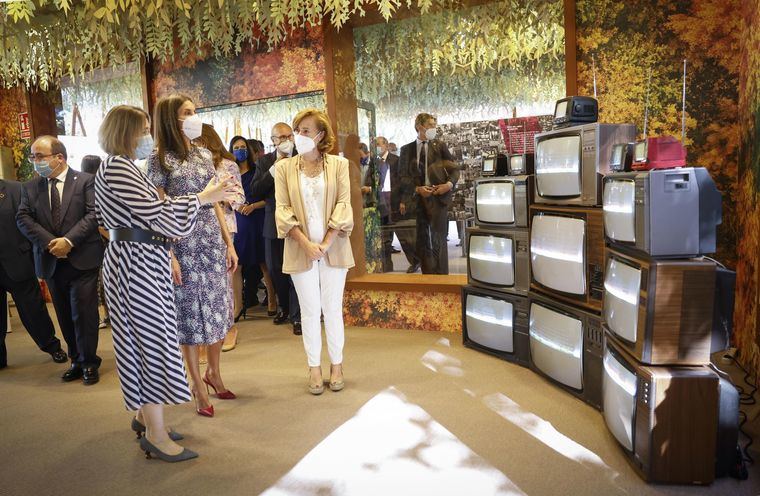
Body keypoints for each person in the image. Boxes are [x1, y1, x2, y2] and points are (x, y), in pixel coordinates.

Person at [95, 104, 238, 462]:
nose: (147, 137)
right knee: (151, 344)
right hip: (136, 264)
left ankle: (147, 419)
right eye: (142, 129)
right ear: (125, 132)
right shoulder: (118, 167)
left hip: (143, 260)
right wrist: (205, 197)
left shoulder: (125, 166)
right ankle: (156, 435)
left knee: (150, 342)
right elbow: (159, 214)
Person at [148, 94, 238, 418]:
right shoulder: (158, 160)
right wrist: (167, 253)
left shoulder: (203, 153)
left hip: (211, 241)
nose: (193, 116)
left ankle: (213, 372)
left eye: (195, 111)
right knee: (188, 317)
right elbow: (156, 211)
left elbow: (215, 201)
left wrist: (229, 242)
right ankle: (196, 385)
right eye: (187, 112)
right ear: (171, 119)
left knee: (217, 310)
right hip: (181, 244)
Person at [275, 108, 354, 395]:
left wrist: (327, 241)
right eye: (297, 130)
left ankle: (337, 365)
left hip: (334, 247)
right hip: (300, 249)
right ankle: (314, 367)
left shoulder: (338, 165)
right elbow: (282, 211)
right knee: (309, 311)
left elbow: (344, 205)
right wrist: (306, 243)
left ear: (320, 135)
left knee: (332, 309)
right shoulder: (283, 168)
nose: (299, 136)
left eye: (305, 130)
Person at [16, 136, 104, 385]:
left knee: (84, 312)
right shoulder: (30, 187)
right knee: (64, 313)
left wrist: (69, 241)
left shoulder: (85, 181)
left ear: (59, 157)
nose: (35, 161)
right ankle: (76, 360)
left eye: (39, 156)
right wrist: (51, 243)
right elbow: (23, 218)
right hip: (50, 260)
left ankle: (89, 362)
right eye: (32, 156)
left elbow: (93, 213)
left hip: (82, 258)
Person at [1, 178, 67, 369]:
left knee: (33, 309)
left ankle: (52, 346)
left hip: (17, 260)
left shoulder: (14, 189)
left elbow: (29, 223)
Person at [195, 125, 244, 355]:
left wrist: (220, 198)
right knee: (203, 283)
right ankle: (206, 333)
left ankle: (228, 327)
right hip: (197, 228)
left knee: (224, 279)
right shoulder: (191, 165)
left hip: (224, 226)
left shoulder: (228, 164)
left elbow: (238, 196)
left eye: (197, 140)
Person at [252, 122, 302, 335]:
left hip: (298, 221)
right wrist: (275, 168)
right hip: (273, 223)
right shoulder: (265, 162)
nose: (286, 140)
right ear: (272, 140)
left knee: (297, 270)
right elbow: (255, 190)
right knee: (275, 270)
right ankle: (284, 306)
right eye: (281, 137)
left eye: (289, 136)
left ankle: (298, 316)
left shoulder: (302, 156)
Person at [399, 113, 459, 275]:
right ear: (420, 127)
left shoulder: (439, 146)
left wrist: (448, 184)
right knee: (422, 240)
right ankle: (428, 276)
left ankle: (442, 276)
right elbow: (402, 177)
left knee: (439, 239)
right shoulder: (406, 150)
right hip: (418, 201)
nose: (434, 128)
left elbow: (454, 169)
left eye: (434, 125)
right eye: (430, 125)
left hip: (439, 198)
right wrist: (417, 189)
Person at [229, 136, 276, 320]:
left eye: (243, 147)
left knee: (264, 263)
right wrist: (236, 205)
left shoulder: (258, 170)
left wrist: (254, 206)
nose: (240, 150)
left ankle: (272, 299)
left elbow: (270, 198)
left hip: (258, 219)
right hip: (239, 221)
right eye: (236, 147)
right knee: (237, 265)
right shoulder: (230, 172)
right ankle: (238, 306)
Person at [80, 154, 111, 329]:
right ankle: (107, 314)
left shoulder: (82, 186)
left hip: (90, 243)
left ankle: (101, 316)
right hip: (107, 241)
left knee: (96, 283)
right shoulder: (100, 186)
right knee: (104, 281)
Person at [373, 137, 399, 272]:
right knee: (384, 232)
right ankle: (387, 263)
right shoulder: (375, 162)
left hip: (392, 198)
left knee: (395, 229)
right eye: (375, 145)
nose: (377, 147)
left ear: (386, 145)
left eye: (378, 144)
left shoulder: (395, 160)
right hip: (381, 198)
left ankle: (415, 259)